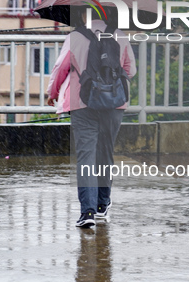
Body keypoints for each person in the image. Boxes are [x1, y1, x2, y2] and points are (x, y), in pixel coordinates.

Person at [47, 14, 136, 228]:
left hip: (82, 102)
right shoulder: (120, 35)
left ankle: (87, 212)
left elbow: (60, 68)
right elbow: (130, 70)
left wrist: (53, 92)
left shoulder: (75, 37)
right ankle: (101, 205)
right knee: (105, 153)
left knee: (86, 157)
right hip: (114, 103)